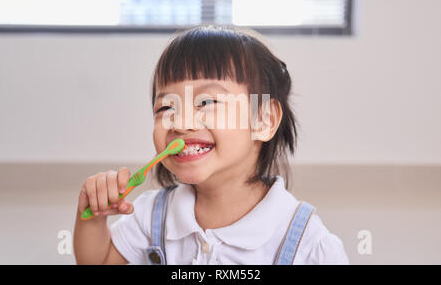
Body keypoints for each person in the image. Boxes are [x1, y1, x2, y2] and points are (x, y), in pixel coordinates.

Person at [73, 25, 349, 265]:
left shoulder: (307, 243)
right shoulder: (152, 215)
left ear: (263, 120)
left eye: (206, 102)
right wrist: (94, 217)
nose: (180, 122)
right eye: (166, 106)